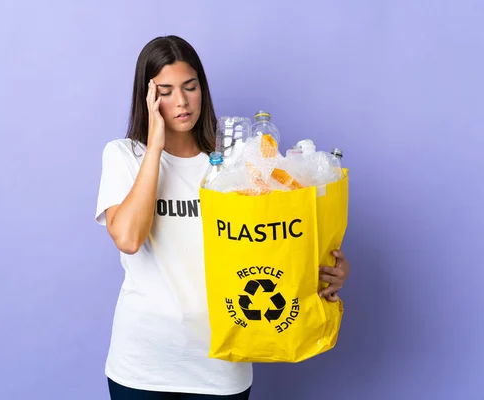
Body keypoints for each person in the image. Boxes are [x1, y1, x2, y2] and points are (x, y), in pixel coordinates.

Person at [94, 35, 350, 400]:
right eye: (165, 91)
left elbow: (277, 245)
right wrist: (155, 145)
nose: (181, 102)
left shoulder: (235, 164)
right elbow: (129, 239)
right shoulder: (124, 156)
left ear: (203, 89)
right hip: (143, 365)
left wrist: (328, 269)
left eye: (190, 87)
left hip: (221, 365)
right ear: (148, 98)